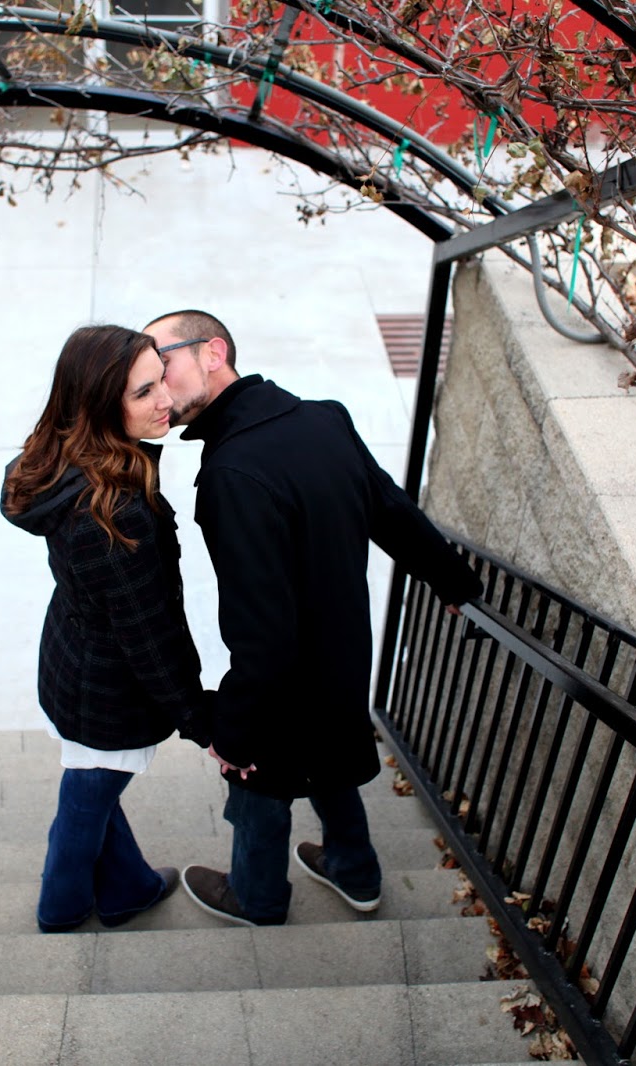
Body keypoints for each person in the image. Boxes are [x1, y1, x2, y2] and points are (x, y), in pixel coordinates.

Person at [144, 309, 483, 927]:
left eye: (161, 365)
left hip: (283, 679)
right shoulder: (322, 417)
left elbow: (261, 632)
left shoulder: (231, 474)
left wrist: (235, 734)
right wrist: (454, 581)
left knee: (257, 781)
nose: (156, 388)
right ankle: (355, 872)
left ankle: (256, 895)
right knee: (331, 757)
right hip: (345, 655)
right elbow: (392, 511)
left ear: (213, 353)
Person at [1, 324, 209, 933]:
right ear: (98, 407)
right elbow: (149, 635)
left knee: (96, 785)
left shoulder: (65, 458)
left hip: (73, 657)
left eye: (161, 379)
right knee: (88, 795)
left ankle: (127, 889)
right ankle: (61, 907)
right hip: (107, 688)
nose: (165, 401)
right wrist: (200, 720)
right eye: (144, 393)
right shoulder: (114, 513)